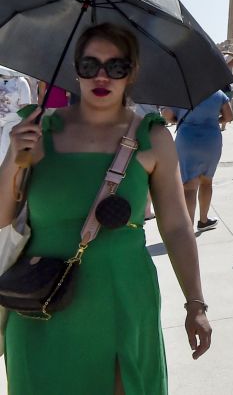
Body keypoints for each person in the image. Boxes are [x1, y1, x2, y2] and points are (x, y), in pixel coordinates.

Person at [1, 22, 211, 393]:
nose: (102, 76)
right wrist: (13, 162)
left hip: (121, 302)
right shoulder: (35, 132)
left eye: (116, 67)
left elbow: (177, 226)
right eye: (90, 65)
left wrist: (195, 303)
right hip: (40, 304)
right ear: (75, 70)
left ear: (132, 73)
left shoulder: (153, 137)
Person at [162, 90, 233, 232]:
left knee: (189, 186)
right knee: (207, 181)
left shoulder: (180, 93)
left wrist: (180, 120)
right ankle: (204, 220)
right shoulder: (218, 94)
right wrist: (214, 120)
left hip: (186, 139)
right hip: (211, 139)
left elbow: (167, 115)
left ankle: (188, 227)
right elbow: (229, 117)